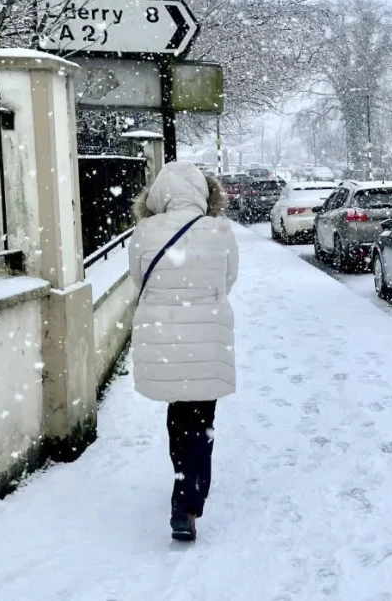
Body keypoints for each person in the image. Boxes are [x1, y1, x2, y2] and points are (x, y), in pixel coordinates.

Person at [128, 161, 238, 542]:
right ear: (203, 193)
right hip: (207, 336)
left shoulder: (145, 232)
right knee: (202, 419)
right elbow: (228, 279)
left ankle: (183, 480)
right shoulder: (220, 230)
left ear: (160, 194)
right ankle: (187, 504)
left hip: (165, 338)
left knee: (178, 414)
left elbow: (139, 280)